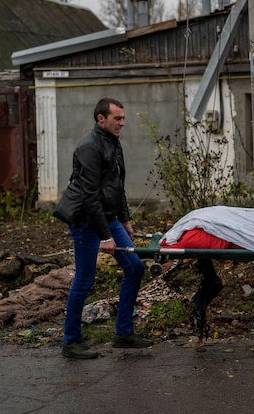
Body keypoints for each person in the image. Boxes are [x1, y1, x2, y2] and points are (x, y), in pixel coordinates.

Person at [59, 98, 152, 359]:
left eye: (123, 118)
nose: (122, 123)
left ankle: (123, 333)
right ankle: (71, 341)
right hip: (86, 220)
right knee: (85, 279)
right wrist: (105, 236)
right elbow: (89, 196)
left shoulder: (112, 141)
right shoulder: (90, 146)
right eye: (117, 118)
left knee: (135, 267)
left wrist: (124, 219)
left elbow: (116, 184)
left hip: (108, 217)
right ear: (101, 119)